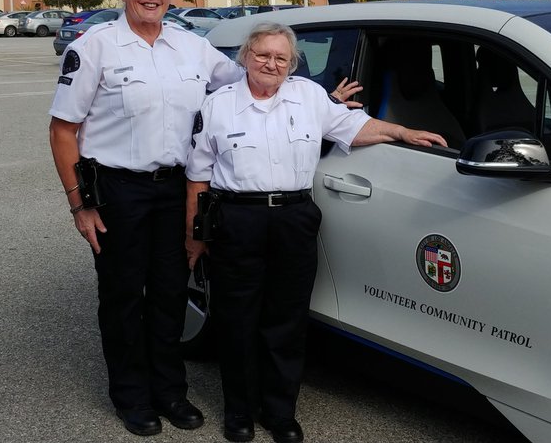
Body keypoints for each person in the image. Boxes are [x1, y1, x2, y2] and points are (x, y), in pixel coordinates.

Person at [184, 22, 446, 443]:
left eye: (281, 57)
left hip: (294, 218)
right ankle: (239, 413)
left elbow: (354, 128)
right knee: (236, 321)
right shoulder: (217, 106)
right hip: (237, 220)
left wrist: (401, 131)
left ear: (292, 64)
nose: (271, 63)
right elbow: (197, 179)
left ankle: (280, 413)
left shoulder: (308, 97)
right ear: (245, 58)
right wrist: (194, 236)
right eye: (263, 55)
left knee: (286, 321)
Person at [47, 0, 245, 437]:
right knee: (122, 296)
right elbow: (62, 130)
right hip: (118, 189)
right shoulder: (96, 47)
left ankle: (170, 391)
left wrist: (319, 99)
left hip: (176, 188)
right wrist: (79, 204)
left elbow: (252, 83)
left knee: (171, 293)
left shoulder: (191, 47)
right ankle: (131, 396)